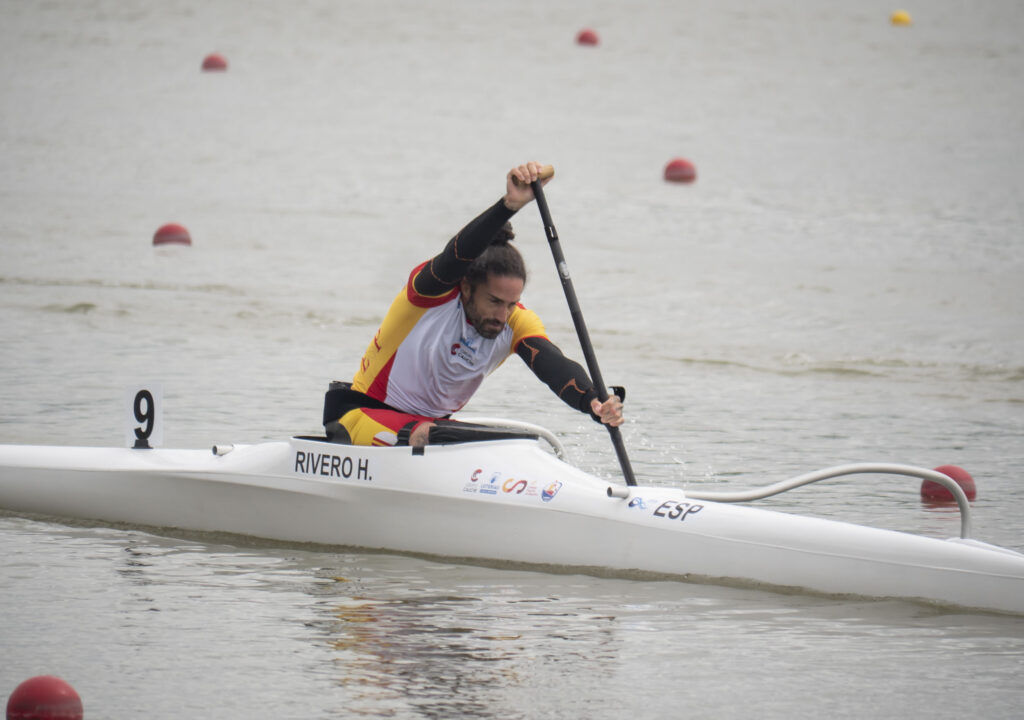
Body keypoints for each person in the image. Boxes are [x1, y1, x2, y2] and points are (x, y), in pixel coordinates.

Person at [323, 161, 624, 447]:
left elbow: (554, 365)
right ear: (466, 288)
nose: (502, 314)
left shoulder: (516, 321)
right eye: (494, 301)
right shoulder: (430, 295)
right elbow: (456, 254)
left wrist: (594, 401)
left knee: (508, 443)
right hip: (359, 419)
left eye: (511, 304)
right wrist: (509, 206)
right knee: (437, 437)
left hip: (433, 430)